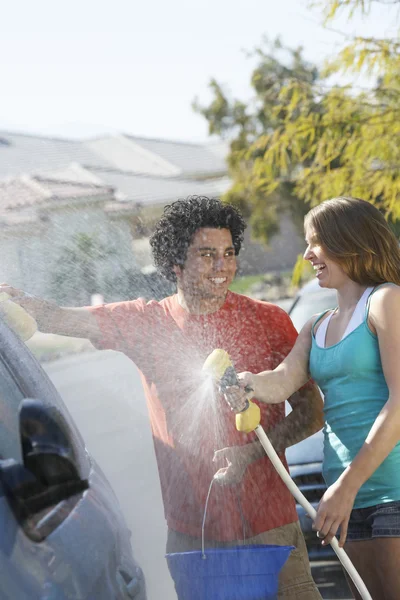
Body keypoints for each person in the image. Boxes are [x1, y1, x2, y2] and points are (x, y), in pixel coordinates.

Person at [1, 196, 324, 600]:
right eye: (207, 255)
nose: (222, 267)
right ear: (175, 262)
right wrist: (19, 305)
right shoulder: (146, 322)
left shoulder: (269, 321)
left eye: (228, 254)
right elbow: (56, 317)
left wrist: (250, 456)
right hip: (194, 536)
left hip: (271, 527)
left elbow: (312, 414)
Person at [226, 196, 400, 600]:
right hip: (348, 496)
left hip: (390, 489)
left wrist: (346, 486)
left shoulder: (386, 301)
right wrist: (246, 382)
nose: (307, 255)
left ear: (350, 242)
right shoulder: (316, 325)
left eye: (316, 243)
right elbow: (282, 381)